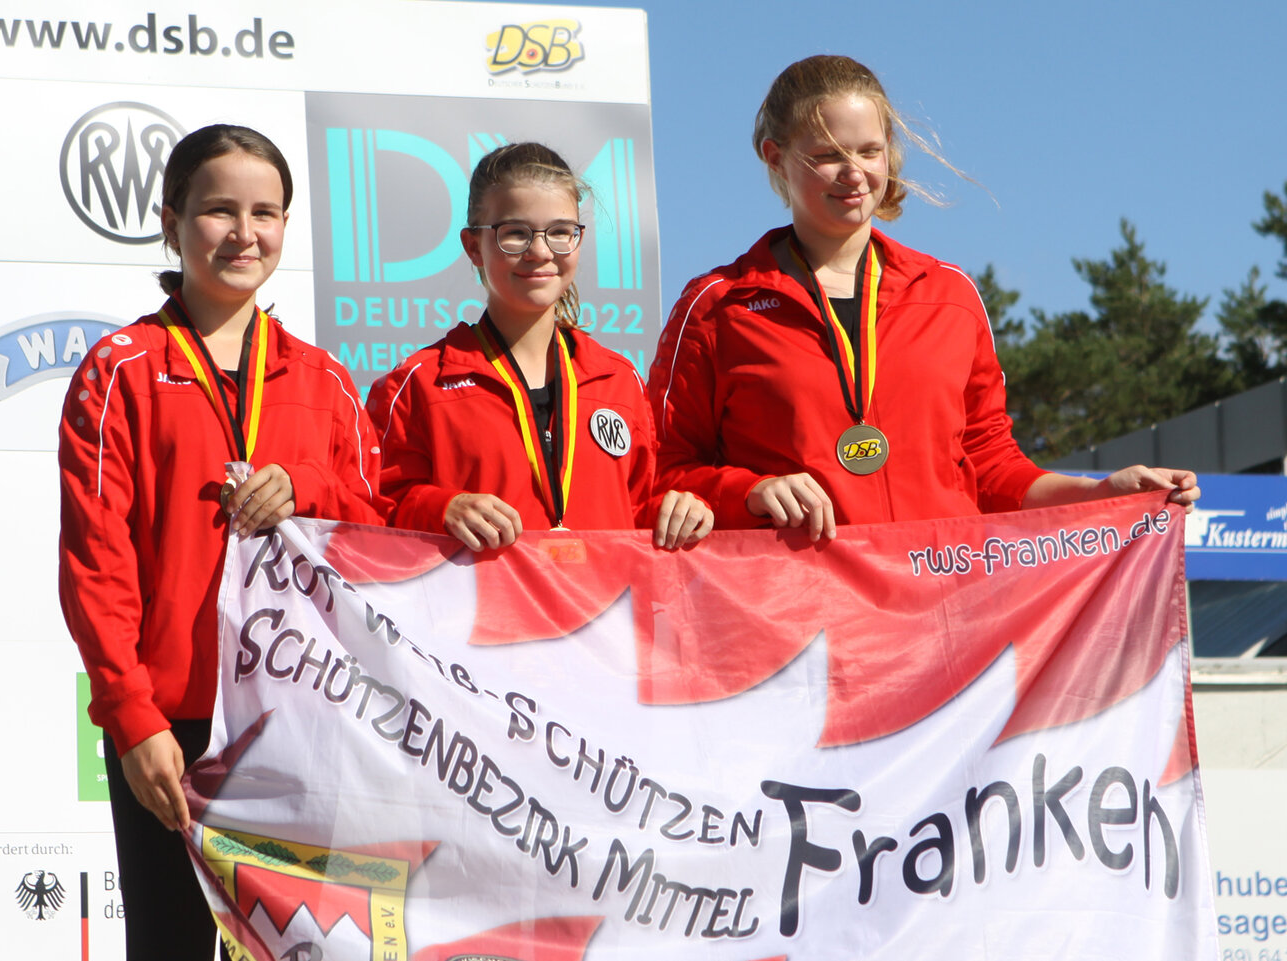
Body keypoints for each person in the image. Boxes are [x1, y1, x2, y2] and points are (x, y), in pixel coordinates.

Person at [58, 124, 384, 959]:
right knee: (169, 944)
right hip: (173, 723)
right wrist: (132, 718)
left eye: (265, 213)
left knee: (303, 947)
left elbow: (376, 531)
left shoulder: (325, 380)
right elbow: (97, 563)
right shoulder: (121, 368)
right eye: (219, 211)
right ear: (171, 224)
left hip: (299, 715)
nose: (245, 232)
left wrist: (306, 487)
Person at [649, 55, 1198, 539]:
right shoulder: (719, 306)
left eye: (870, 151)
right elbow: (660, 471)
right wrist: (747, 492)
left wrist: (1099, 492)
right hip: (801, 608)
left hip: (943, 602)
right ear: (775, 157)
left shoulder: (949, 295)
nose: (854, 173)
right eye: (828, 155)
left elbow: (992, 468)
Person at [368, 142, 711, 549]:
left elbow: (637, 509)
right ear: (474, 246)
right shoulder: (419, 385)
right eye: (515, 234)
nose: (541, 252)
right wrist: (440, 508)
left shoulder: (618, 382)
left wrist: (682, 510)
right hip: (482, 593)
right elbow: (370, 512)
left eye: (561, 232)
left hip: (604, 592)